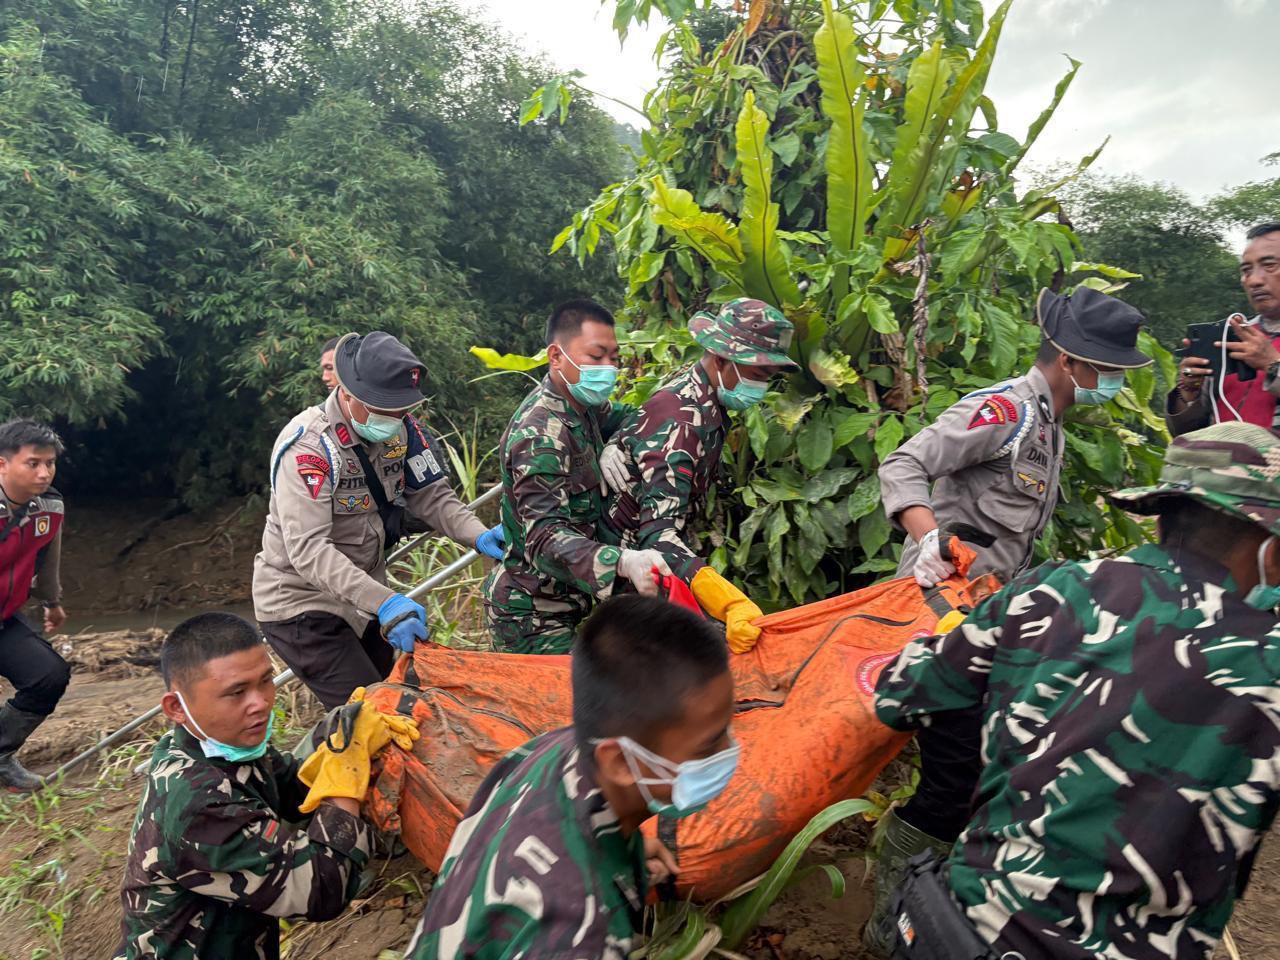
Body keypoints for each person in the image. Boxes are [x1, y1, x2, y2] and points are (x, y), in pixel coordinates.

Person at [866, 421, 1280, 960]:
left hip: (967, 929)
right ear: (1267, 541)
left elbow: (899, 693)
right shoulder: (1265, 660)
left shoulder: (1051, 591)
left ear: (1165, 514)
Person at [405, 595, 737, 959]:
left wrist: (631, 848)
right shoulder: (582, 934)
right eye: (708, 745)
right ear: (622, 764)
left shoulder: (550, 750)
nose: (730, 750)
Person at [115, 612, 418, 960]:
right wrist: (346, 767)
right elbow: (321, 890)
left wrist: (343, 729)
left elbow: (292, 789)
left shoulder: (220, 747)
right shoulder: (198, 805)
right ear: (176, 708)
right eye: (236, 692)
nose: (259, 703)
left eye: (265, 681)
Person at [254, 331, 504, 709]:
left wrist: (480, 536)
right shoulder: (310, 449)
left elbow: (432, 496)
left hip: (363, 595)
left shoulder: (404, 429)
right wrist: (387, 603)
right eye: (385, 409)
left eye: (402, 410)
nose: (396, 418)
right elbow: (308, 550)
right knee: (369, 714)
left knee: (402, 699)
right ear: (348, 394)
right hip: (302, 604)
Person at [879, 287, 1151, 587]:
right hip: (934, 598)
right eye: (1108, 369)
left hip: (979, 604)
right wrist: (930, 541)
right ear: (1067, 361)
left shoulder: (1048, 425)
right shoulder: (1007, 413)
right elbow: (903, 463)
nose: (1116, 380)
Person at [598, 298, 795, 653]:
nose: (764, 387)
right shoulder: (683, 422)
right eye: (759, 375)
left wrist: (618, 439)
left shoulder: (702, 394)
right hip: (622, 572)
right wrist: (727, 601)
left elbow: (638, 422)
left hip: (643, 567)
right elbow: (657, 535)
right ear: (721, 361)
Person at [484, 299, 670, 655]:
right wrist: (623, 561)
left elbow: (635, 418)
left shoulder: (583, 408)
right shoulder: (539, 435)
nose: (609, 368)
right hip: (533, 613)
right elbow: (543, 538)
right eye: (596, 357)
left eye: (614, 358)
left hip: (576, 599)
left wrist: (614, 441)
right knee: (568, 707)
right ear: (556, 356)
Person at [0, 418, 68, 791]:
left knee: (48, 675)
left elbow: (48, 560)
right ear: (3, 463)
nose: (44, 473)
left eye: (50, 463)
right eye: (33, 463)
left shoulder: (50, 506)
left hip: (6, 616)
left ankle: (0, 756)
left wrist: (52, 602)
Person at [1168, 222, 1280, 434]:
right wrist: (1189, 390)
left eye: (1270, 265)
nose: (1254, 280)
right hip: (1214, 463)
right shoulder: (1231, 336)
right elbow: (1183, 432)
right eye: (1246, 270)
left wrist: (1273, 365)